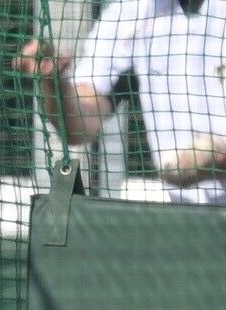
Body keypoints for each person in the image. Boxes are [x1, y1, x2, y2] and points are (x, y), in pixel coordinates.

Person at [13, 0, 226, 204]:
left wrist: (217, 156)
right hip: (187, 215)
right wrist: (55, 84)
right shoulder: (126, 15)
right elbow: (79, 126)